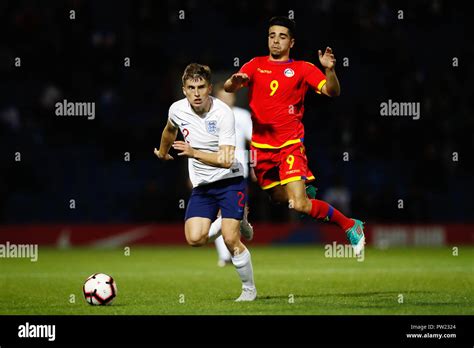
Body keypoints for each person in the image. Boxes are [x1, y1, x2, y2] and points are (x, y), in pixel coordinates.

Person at [224, 16, 365, 255]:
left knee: (299, 204)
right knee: (280, 198)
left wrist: (329, 70)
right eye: (272, 36)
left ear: (291, 42)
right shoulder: (254, 65)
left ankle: (350, 225)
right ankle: (304, 192)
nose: (276, 41)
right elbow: (229, 87)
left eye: (282, 36)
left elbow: (332, 91)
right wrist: (233, 82)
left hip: (289, 144)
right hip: (260, 147)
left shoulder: (302, 69)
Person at [154, 63, 257, 301]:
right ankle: (232, 219)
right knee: (194, 239)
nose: (197, 93)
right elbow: (170, 130)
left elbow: (226, 159)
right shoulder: (177, 110)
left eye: (201, 87)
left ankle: (249, 290)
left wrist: (194, 152)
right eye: (191, 87)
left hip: (230, 180)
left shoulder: (223, 113)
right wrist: (162, 151)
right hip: (203, 186)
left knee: (232, 239)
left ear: (209, 88)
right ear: (184, 89)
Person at [211, 83, 253, 267]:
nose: (226, 99)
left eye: (228, 96)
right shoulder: (210, 117)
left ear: (233, 97)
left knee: (229, 214)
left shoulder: (242, 116)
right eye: (222, 97)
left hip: (238, 170)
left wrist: (255, 166)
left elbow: (254, 143)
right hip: (215, 170)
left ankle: (230, 250)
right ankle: (225, 255)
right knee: (217, 213)